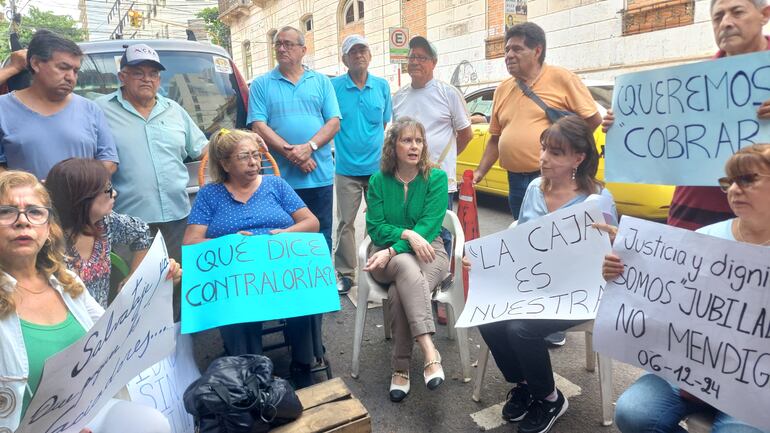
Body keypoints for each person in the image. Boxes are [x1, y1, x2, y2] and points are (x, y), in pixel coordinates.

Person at [604, 144, 770, 433]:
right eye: (728, 182)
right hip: (685, 372)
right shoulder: (704, 238)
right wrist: (620, 273)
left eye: (747, 179)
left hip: (755, 386)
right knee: (633, 413)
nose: (734, 189)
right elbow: (663, 298)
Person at [469, 116, 617, 433]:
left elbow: (614, 259)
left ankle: (550, 399)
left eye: (556, 153)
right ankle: (524, 384)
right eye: (544, 150)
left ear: (578, 158)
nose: (544, 159)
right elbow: (520, 242)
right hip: (535, 285)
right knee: (488, 314)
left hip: (579, 293)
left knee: (521, 328)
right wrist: (484, 263)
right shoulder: (535, 188)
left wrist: (615, 243)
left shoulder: (598, 200)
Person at [0, 170, 175, 433]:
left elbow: (116, 336)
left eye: (35, 212)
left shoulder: (66, 282)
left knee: (153, 423)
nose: (22, 221)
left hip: (83, 414)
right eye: (6, 211)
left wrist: (155, 284)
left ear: (48, 229)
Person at [472, 22, 602, 347]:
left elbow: (591, 119)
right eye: (506, 50)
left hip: (555, 179)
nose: (509, 55)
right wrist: (479, 173)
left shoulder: (561, 79)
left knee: (562, 249)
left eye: (516, 48)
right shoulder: (503, 89)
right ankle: (534, 302)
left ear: (537, 50)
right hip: (520, 183)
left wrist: (568, 159)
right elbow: (494, 139)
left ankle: (551, 321)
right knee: (528, 245)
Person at [602, 0, 770, 231]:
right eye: (718, 17)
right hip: (691, 219)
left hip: (760, 225)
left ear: (765, 14)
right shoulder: (691, 84)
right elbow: (661, 139)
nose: (727, 23)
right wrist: (621, 125)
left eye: (737, 12)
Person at [183, 128, 321, 388]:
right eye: (244, 157)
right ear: (225, 164)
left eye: (256, 156)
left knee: (304, 295)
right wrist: (230, 242)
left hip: (279, 273)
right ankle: (251, 369)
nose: (254, 162)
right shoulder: (210, 194)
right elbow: (191, 242)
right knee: (238, 308)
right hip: (237, 279)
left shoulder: (275, 185)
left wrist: (284, 233)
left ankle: (303, 363)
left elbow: (311, 222)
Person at [95, 43, 207, 264]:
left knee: (177, 285)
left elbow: (204, 149)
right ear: (122, 77)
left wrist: (238, 141)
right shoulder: (99, 110)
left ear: (159, 80)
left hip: (178, 218)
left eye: (153, 74)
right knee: (134, 291)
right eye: (138, 73)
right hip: (126, 223)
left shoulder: (174, 110)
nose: (147, 79)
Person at [363, 117, 449, 402]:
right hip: (387, 254)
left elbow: (430, 225)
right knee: (404, 265)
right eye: (406, 140)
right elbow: (375, 227)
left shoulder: (435, 178)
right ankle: (429, 352)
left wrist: (396, 246)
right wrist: (406, 236)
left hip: (429, 251)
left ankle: (400, 368)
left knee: (401, 287)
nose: (414, 146)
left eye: (419, 140)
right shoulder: (378, 180)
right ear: (393, 145)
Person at [248, 26, 340, 258]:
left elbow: (333, 123)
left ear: (303, 50)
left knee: (321, 235)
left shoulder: (320, 81)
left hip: (318, 178)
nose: (281, 48)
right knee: (281, 237)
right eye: (278, 44)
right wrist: (294, 155)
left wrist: (309, 148)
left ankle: (319, 289)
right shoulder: (261, 84)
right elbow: (258, 126)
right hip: (278, 179)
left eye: (288, 44)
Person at [391, 36, 472, 252]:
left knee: (439, 233)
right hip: (406, 181)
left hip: (438, 180)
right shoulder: (398, 97)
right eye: (412, 57)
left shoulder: (448, 93)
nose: (415, 61)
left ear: (433, 63)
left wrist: (440, 161)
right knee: (410, 231)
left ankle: (441, 277)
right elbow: (394, 140)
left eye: (422, 57)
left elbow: (465, 134)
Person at [0, 30, 118, 179]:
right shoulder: (4, 108)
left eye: (75, 71)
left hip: (81, 201)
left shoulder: (90, 108)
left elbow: (109, 161)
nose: (71, 77)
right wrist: (27, 188)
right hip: (28, 202)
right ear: (36, 63)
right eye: (63, 68)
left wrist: (79, 185)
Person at [331, 34, 392, 295]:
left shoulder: (382, 86)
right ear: (344, 58)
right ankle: (345, 274)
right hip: (346, 169)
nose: (358, 55)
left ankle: (375, 267)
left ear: (370, 54)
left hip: (378, 168)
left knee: (377, 220)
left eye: (362, 50)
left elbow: (385, 122)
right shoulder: (333, 87)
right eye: (352, 52)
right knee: (345, 223)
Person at [45, 158, 152, 308]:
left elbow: (142, 232)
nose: (114, 193)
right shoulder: (45, 239)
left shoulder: (107, 222)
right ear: (82, 198)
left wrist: (134, 277)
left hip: (103, 326)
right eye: (107, 189)